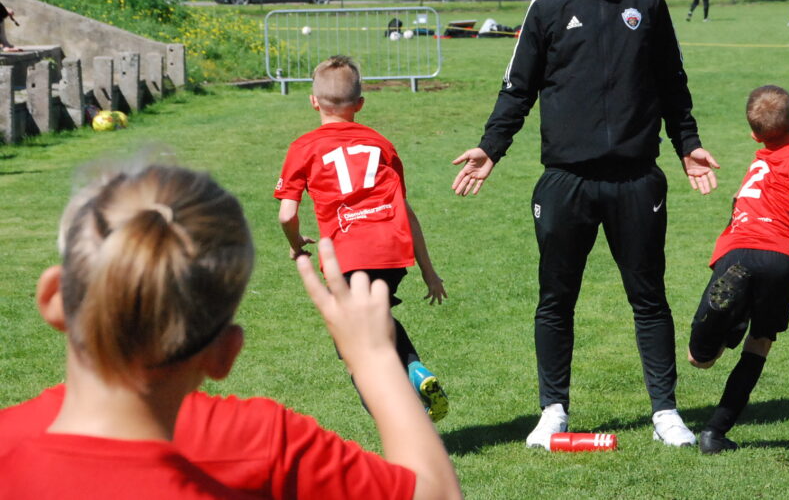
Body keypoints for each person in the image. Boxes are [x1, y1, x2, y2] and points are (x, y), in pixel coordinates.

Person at [0, 162, 462, 500]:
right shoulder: (265, 442)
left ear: (55, 298)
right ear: (225, 353)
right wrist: (375, 360)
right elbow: (435, 493)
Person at [451, 0, 720, 449]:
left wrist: (687, 145)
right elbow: (517, 88)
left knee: (649, 298)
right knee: (556, 300)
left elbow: (672, 83)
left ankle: (666, 413)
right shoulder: (547, 6)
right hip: (565, 181)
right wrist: (491, 147)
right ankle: (553, 410)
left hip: (636, 179)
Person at [276, 55, 449, 422]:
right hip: (392, 250)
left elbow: (287, 214)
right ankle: (415, 369)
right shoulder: (381, 144)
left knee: (356, 349)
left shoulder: (303, 147)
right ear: (360, 104)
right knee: (377, 318)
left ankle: (403, 420)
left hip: (348, 255)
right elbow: (406, 211)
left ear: (313, 101)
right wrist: (429, 271)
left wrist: (296, 244)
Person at [687, 85, 789, 455]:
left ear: (754, 136)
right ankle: (715, 433)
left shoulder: (758, 163)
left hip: (737, 252)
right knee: (760, 343)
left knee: (699, 360)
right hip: (780, 259)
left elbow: (750, 197)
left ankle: (734, 315)